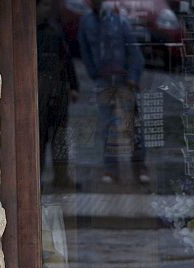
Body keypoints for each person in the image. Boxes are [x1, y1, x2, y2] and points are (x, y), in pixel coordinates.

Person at [78, 0, 148, 184]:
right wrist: (94, 73)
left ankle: (139, 166)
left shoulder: (120, 22)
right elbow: (85, 51)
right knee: (107, 126)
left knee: (131, 125)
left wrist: (133, 77)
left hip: (124, 80)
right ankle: (110, 169)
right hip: (103, 80)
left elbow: (135, 53)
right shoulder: (86, 23)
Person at [37, 0, 79, 190]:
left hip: (58, 92)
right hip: (38, 95)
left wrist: (73, 86)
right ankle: (35, 180)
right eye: (44, 5)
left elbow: (66, 60)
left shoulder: (54, 32)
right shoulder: (27, 33)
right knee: (37, 138)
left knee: (59, 137)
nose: (48, 9)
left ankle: (61, 178)